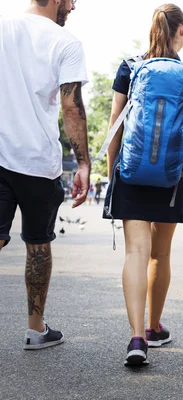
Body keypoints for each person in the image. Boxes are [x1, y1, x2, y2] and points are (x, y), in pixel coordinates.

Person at [103, 3, 183, 365]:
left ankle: (135, 339)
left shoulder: (129, 68)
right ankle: (153, 327)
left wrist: (110, 173)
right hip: (170, 179)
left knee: (135, 252)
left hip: (131, 173)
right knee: (159, 254)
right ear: (180, 31)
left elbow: (115, 124)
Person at [0, 0, 90, 349]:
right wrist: (82, 163)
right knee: (38, 244)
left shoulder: (3, 29)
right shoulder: (65, 42)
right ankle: (35, 330)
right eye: (70, 0)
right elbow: (71, 105)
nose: (73, 6)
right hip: (37, 161)